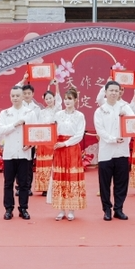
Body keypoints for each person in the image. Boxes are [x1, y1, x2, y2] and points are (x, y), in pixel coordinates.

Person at [94, 80, 134, 221]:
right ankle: (107, 209)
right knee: (105, 183)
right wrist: (113, 139)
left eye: (116, 91)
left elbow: (134, 124)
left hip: (122, 151)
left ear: (120, 92)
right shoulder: (100, 110)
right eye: (111, 90)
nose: (113, 93)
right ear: (105, 92)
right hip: (106, 152)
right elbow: (100, 130)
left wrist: (126, 116)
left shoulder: (125, 107)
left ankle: (119, 208)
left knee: (121, 182)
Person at [0, 86, 36, 220]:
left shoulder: (30, 112)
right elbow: (1, 130)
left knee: (24, 183)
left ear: (22, 96)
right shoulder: (5, 113)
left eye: (17, 96)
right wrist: (15, 124)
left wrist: (31, 144)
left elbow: (34, 132)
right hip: (9, 153)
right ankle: (8, 209)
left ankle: (23, 208)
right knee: (8, 183)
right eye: (13, 96)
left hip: (24, 153)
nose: (15, 98)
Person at [51, 88, 86, 221]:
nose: (67, 101)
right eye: (66, 99)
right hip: (59, 149)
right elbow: (53, 130)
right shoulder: (58, 114)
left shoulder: (79, 116)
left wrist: (65, 144)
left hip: (71, 149)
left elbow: (79, 135)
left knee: (71, 178)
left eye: (70, 98)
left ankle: (71, 209)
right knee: (60, 178)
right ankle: (61, 209)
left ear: (76, 100)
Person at [33, 82, 61, 196]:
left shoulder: (57, 110)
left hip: (53, 138)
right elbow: (38, 126)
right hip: (43, 139)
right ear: (44, 100)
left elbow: (59, 101)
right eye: (47, 98)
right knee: (43, 163)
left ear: (54, 98)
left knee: (51, 162)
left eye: (50, 98)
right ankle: (44, 187)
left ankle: (53, 185)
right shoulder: (42, 112)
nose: (49, 100)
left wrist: (57, 86)